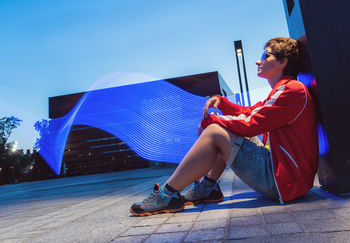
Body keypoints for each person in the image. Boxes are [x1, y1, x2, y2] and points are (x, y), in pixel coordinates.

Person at [130, 37, 318, 216]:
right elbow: (250, 112)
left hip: (283, 182)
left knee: (215, 132)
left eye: (265, 56)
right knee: (225, 128)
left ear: (282, 62)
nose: (257, 61)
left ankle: (166, 195)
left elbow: (251, 124)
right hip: (287, 176)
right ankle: (207, 188)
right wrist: (221, 102)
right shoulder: (284, 90)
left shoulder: (291, 91)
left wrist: (211, 121)